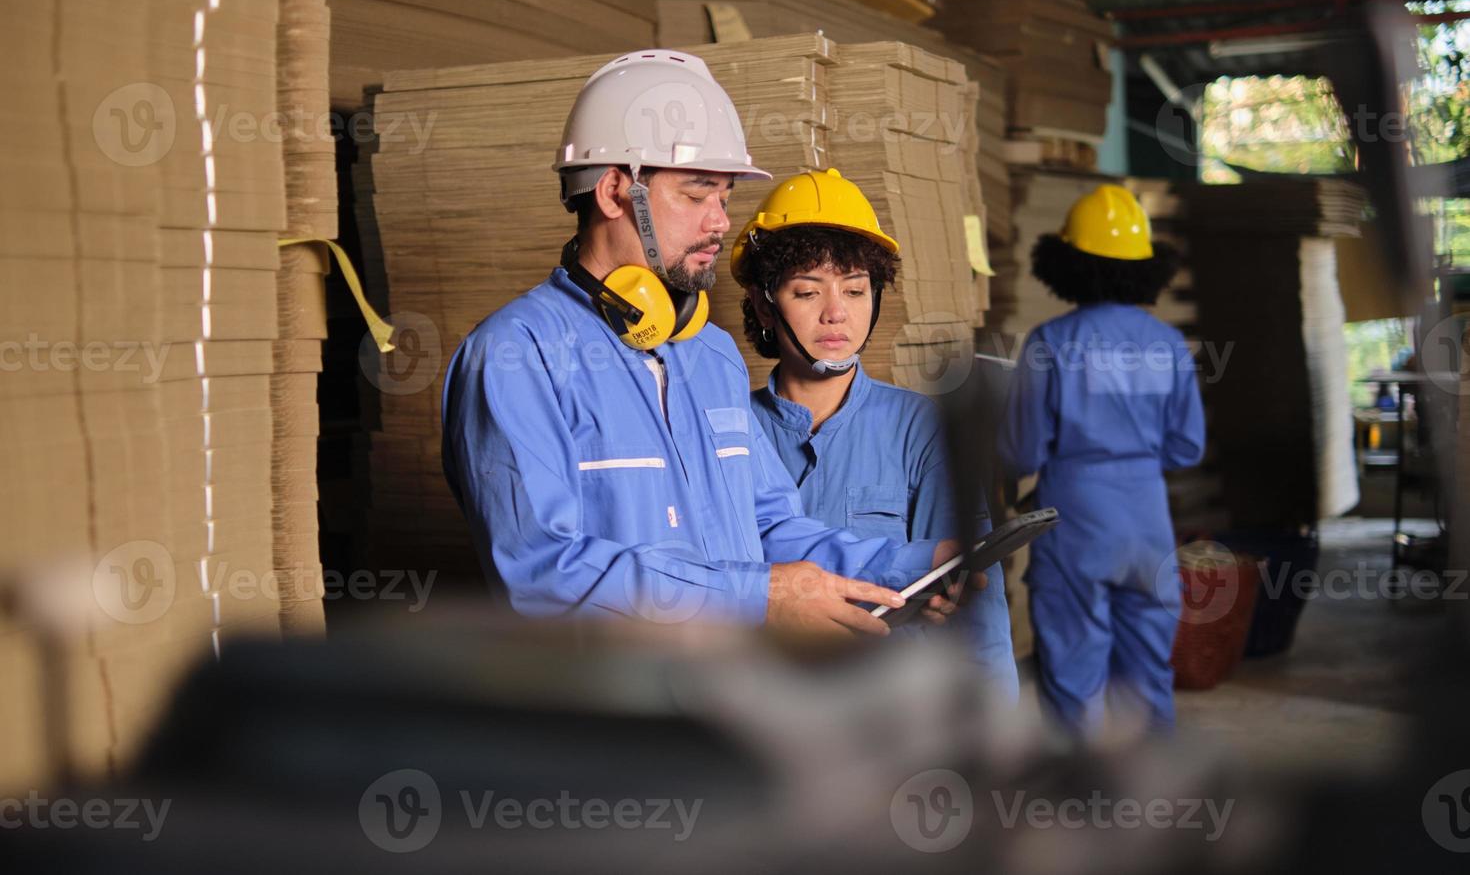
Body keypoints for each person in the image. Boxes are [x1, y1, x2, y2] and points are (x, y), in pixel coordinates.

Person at [440, 50, 962, 635]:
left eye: (725, 196)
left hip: (726, 701)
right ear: (615, 191)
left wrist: (912, 564)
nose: (720, 222)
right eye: (697, 194)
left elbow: (766, 527)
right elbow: (541, 575)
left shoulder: (709, 356)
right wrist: (756, 598)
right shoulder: (518, 355)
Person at [732, 168, 1020, 700]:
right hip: (759, 708)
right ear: (762, 303)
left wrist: (997, 726)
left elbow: (975, 593)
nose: (837, 312)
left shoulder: (920, 429)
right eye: (806, 291)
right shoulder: (725, 431)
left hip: (887, 712)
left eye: (856, 289)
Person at [998, 183, 1206, 734]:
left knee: (1071, 672)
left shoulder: (1049, 342)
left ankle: (1082, 798)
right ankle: (1158, 794)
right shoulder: (1167, 344)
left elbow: (1021, 451)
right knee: (1147, 674)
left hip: (1075, 521)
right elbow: (1188, 446)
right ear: (1146, 267)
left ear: (1069, 262)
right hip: (1148, 524)